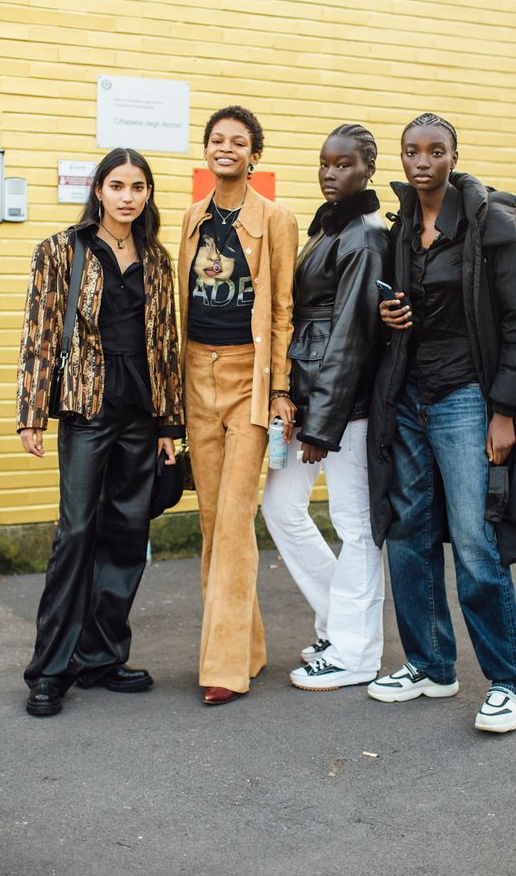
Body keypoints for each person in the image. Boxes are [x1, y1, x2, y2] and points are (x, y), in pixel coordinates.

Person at [366, 112, 516, 733]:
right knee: (409, 534)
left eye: (434, 151)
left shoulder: (492, 227)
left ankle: (511, 683)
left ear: (453, 156)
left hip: (467, 399)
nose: (422, 161)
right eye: (411, 151)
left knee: (475, 541)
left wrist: (505, 411)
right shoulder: (403, 228)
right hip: (410, 398)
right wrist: (393, 317)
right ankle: (431, 667)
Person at [17, 148, 184, 717]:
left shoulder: (157, 258)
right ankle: (50, 670)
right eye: (118, 185)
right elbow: (40, 331)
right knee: (77, 534)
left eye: (139, 187)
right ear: (99, 190)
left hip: (140, 410)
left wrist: (169, 422)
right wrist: (31, 411)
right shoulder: (62, 250)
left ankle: (102, 655)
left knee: (126, 535)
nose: (128, 196)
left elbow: (165, 343)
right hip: (87, 409)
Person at [262, 124, 391, 691]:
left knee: (355, 528)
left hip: (343, 407)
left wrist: (323, 422)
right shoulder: (331, 227)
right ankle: (339, 623)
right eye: (324, 164)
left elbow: (351, 336)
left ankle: (357, 654)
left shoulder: (364, 234)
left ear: (367, 167)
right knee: (281, 508)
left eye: (343, 165)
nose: (330, 173)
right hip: (310, 397)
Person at [178, 105, 298, 706]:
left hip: (248, 378)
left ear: (255, 154)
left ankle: (224, 667)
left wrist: (280, 390)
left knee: (233, 522)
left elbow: (282, 310)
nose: (226, 148)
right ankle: (245, 647)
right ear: (207, 151)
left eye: (239, 141)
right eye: (217, 140)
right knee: (209, 523)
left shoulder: (275, 219)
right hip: (195, 373)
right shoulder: (192, 217)